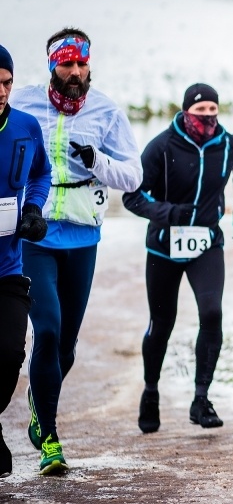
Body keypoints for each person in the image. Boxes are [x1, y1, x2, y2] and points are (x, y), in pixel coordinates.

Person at [9, 27, 143, 475]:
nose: (75, 72)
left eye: (81, 64)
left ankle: (37, 401)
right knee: (46, 331)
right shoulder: (24, 104)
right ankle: (49, 438)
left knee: (65, 347)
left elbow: (133, 177)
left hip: (83, 238)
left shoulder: (106, 112)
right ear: (52, 66)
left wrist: (97, 162)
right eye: (66, 64)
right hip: (36, 236)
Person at [122, 83, 233, 434]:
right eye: (201, 113)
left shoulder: (228, 144)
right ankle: (151, 391)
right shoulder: (161, 147)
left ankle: (201, 398)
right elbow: (132, 195)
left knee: (212, 313)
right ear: (185, 113)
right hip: (163, 247)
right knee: (161, 324)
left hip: (206, 243)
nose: (208, 120)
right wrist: (168, 212)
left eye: (213, 112)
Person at [0, 44, 51, 478]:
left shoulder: (25, 126)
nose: (1, 90)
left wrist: (33, 209)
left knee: (9, 354)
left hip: (8, 266)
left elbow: (40, 173)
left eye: (7, 82)